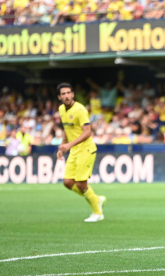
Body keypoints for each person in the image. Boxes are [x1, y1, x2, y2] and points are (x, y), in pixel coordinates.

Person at [56, 83, 106, 222]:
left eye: (68, 93)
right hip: (74, 151)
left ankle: (97, 213)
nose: (66, 96)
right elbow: (67, 129)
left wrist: (69, 145)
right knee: (67, 182)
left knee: (80, 184)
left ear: (72, 94)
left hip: (86, 149)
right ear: (59, 97)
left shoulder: (80, 109)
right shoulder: (61, 109)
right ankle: (96, 199)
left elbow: (88, 132)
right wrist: (62, 146)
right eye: (63, 94)